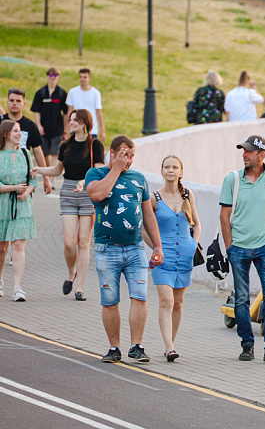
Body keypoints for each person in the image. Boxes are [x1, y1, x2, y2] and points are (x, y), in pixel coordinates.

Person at [85, 136, 164, 364]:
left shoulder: (139, 179)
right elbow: (97, 194)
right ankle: (114, 347)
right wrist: (116, 169)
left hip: (134, 248)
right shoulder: (96, 173)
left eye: (131, 156)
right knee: (109, 299)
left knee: (140, 295)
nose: (128, 160)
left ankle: (136, 346)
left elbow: (148, 214)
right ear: (112, 153)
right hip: (106, 248)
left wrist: (157, 245)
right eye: (123, 154)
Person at [220, 135, 265, 362]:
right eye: (243, 150)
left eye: (249, 151)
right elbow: (224, 216)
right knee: (241, 298)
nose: (244, 154)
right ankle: (247, 345)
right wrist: (229, 247)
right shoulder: (232, 180)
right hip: (238, 247)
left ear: (262, 155)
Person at [33, 110, 105, 301]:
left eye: (75, 120)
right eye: (71, 120)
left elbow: (99, 171)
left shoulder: (95, 144)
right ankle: (71, 272)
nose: (71, 123)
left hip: (88, 193)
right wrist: (40, 170)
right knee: (69, 242)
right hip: (68, 193)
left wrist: (84, 181)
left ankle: (79, 287)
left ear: (85, 123)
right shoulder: (66, 144)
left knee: (83, 242)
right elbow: (58, 169)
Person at [144, 155, 200, 362]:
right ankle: (168, 346)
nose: (170, 170)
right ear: (161, 171)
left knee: (178, 303)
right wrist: (155, 248)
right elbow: (143, 228)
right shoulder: (153, 198)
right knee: (166, 300)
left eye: (174, 167)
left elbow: (197, 224)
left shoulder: (188, 195)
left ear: (180, 172)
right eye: (167, 167)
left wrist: (194, 244)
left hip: (185, 255)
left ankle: (171, 343)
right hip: (163, 257)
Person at [0, 120, 37, 302]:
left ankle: (18, 288)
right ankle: (0, 280)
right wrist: (14, 188)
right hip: (3, 204)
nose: (19, 134)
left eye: (20, 131)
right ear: (5, 134)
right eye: (15, 131)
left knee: (18, 246)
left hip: (22, 205)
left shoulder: (25, 153)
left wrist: (27, 191)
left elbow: (33, 180)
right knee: (2, 247)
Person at [1, 88, 51, 194]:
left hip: (22, 176)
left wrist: (45, 177)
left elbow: (37, 151)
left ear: (24, 104)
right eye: (12, 100)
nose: (14, 103)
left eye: (18, 101)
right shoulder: (1, 123)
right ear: (7, 103)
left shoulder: (30, 126)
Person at [30, 67, 68, 168]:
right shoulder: (41, 93)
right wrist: (39, 126)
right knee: (45, 153)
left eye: (55, 75)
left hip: (57, 128)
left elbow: (66, 113)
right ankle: (47, 172)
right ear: (47, 76)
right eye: (51, 75)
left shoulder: (61, 93)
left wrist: (65, 129)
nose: (53, 78)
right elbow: (36, 111)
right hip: (44, 128)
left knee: (55, 153)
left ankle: (54, 173)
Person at [66, 68, 106, 141]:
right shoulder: (73, 92)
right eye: (81, 77)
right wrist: (67, 129)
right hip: (76, 128)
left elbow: (98, 112)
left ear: (89, 78)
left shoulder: (95, 93)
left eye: (85, 77)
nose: (83, 79)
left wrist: (102, 130)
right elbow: (70, 111)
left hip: (91, 129)